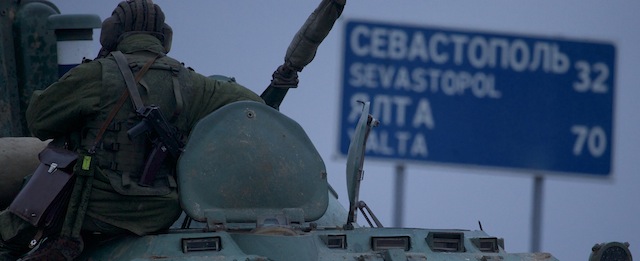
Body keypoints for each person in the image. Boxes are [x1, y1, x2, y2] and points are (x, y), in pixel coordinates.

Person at [0, 0, 263, 260]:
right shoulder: (195, 84)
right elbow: (255, 108)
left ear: (111, 33)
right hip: (157, 212)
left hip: (90, 209)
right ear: (165, 38)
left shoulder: (95, 75)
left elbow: (38, 120)